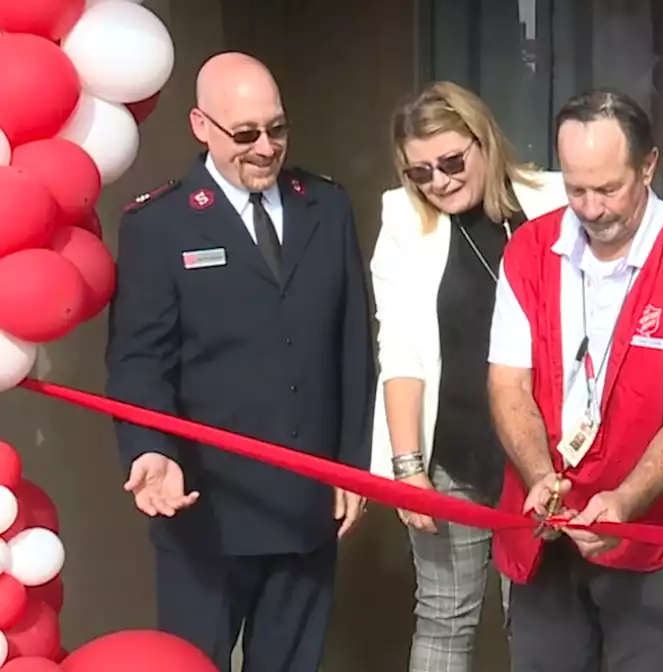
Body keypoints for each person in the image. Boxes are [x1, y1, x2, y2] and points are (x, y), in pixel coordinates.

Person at [104, 52, 374, 672]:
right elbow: (139, 359)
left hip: (306, 508)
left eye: (276, 129)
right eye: (245, 133)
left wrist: (351, 467)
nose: (265, 147)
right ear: (201, 126)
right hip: (205, 511)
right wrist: (150, 451)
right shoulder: (159, 223)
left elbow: (352, 346)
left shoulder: (325, 207)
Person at [487, 88, 663, 672]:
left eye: (609, 189)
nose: (592, 208)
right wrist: (538, 475)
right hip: (547, 529)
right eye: (575, 189)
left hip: (660, 537)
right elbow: (509, 382)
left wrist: (626, 499)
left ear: (649, 166)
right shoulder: (530, 251)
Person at [368, 81, 567, 672]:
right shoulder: (405, 218)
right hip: (451, 454)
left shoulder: (554, 200)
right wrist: (408, 469)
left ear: (485, 141)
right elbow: (399, 345)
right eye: (420, 172)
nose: (439, 182)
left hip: (540, 454)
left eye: (452, 162)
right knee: (445, 615)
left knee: (535, 617)